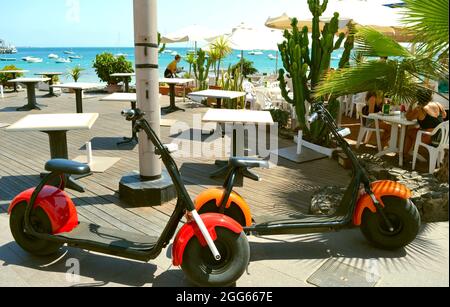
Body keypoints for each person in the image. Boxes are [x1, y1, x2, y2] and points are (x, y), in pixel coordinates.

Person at [403, 88, 447, 159]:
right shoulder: (438, 104)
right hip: (442, 136)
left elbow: (408, 117)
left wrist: (411, 105)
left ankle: (404, 155)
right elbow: (444, 115)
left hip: (431, 137)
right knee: (416, 130)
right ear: (430, 96)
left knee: (409, 132)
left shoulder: (420, 108)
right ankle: (413, 153)